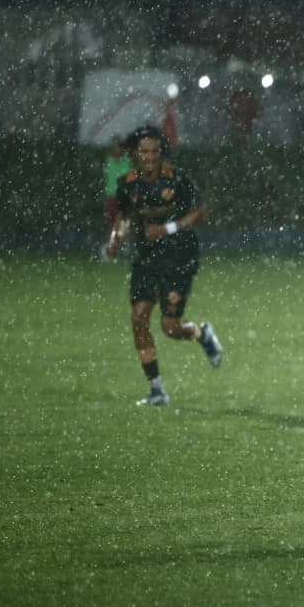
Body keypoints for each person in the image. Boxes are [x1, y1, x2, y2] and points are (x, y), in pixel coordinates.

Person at [104, 125, 224, 406]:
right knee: (138, 317)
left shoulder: (177, 180)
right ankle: (157, 390)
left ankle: (200, 333)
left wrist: (167, 229)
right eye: (144, 152)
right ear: (134, 154)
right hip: (147, 257)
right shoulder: (127, 184)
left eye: (155, 151)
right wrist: (115, 238)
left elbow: (201, 212)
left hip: (179, 256)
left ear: (161, 153)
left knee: (170, 327)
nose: (150, 157)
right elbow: (124, 217)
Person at [98, 137, 131, 260]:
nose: (116, 149)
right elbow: (108, 180)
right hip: (111, 198)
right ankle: (112, 247)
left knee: (123, 224)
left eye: (118, 147)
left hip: (124, 198)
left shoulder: (128, 161)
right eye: (114, 147)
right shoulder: (109, 160)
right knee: (111, 223)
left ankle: (124, 247)